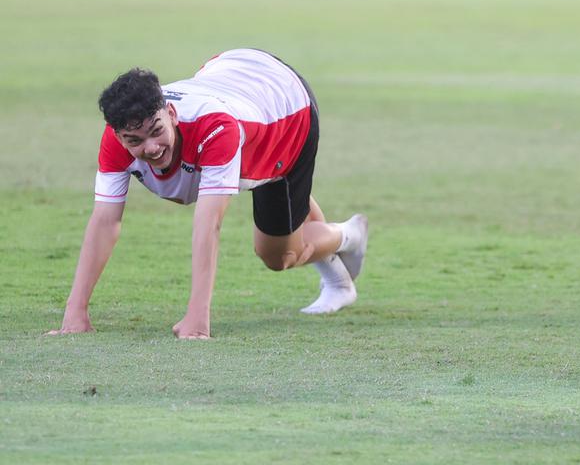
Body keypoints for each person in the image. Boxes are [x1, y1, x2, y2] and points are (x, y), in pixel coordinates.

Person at [46, 48, 369, 340]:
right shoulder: (118, 139)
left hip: (284, 111)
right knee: (282, 223)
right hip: (231, 80)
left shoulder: (216, 129)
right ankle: (339, 281)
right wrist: (75, 314)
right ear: (118, 135)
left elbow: (208, 225)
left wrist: (197, 319)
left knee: (280, 256)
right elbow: (105, 222)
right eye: (134, 140)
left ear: (171, 114)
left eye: (157, 131)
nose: (151, 148)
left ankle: (348, 234)